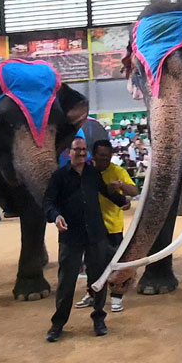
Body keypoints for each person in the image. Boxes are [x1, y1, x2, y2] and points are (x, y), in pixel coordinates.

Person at [42, 138, 128, 342]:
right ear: (69, 153)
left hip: (96, 235)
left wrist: (122, 201)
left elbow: (104, 191)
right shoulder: (59, 176)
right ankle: (58, 324)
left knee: (98, 279)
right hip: (71, 237)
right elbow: (48, 202)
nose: (81, 153)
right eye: (77, 150)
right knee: (66, 282)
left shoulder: (92, 174)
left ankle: (99, 319)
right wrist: (56, 216)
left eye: (83, 150)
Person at [75, 140, 139, 313]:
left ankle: (117, 297)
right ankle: (92, 294)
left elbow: (135, 191)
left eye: (108, 156)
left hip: (113, 228)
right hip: (92, 228)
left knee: (117, 264)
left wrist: (120, 185)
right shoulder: (87, 172)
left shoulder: (117, 171)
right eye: (101, 155)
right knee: (92, 264)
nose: (105, 159)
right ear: (94, 155)